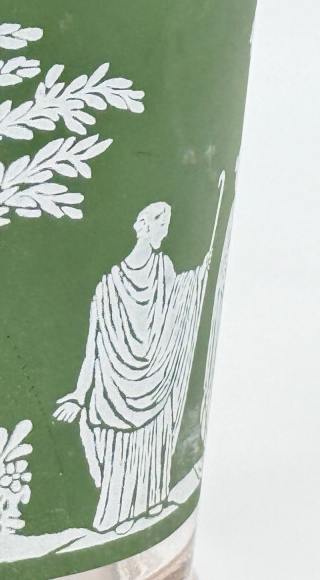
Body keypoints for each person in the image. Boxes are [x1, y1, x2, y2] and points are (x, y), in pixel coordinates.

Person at [53, 203, 211, 534]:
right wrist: (79, 395)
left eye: (167, 224)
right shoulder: (108, 286)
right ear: (145, 226)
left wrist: (200, 274)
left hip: (155, 383)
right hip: (115, 391)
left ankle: (147, 511)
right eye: (162, 225)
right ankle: (116, 521)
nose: (166, 232)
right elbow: (93, 346)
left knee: (150, 453)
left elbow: (175, 310)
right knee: (120, 459)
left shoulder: (164, 268)